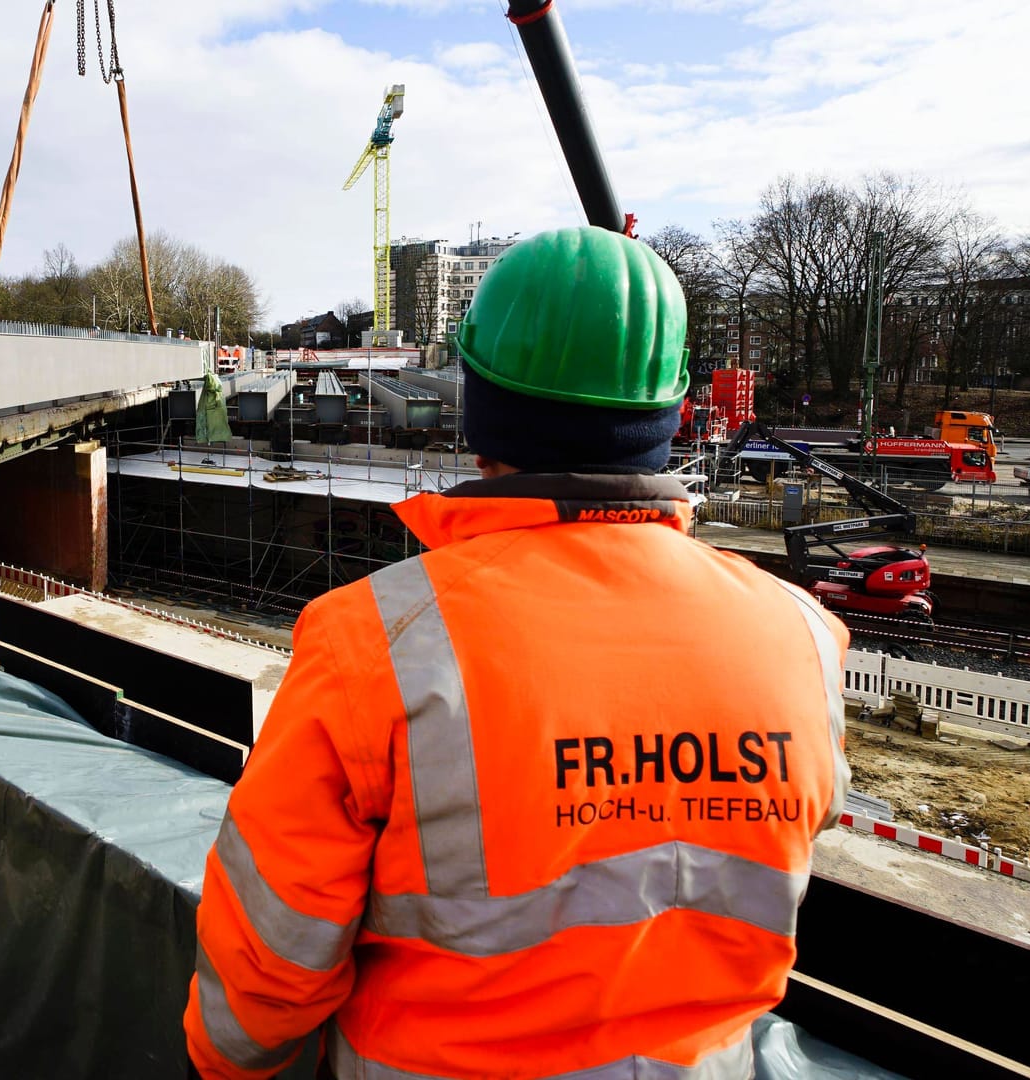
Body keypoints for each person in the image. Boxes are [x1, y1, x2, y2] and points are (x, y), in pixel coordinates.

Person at [185, 226, 851, 1080]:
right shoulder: (799, 635)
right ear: (675, 409)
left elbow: (269, 958)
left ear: (479, 405)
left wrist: (226, 1065)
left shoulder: (376, 644)